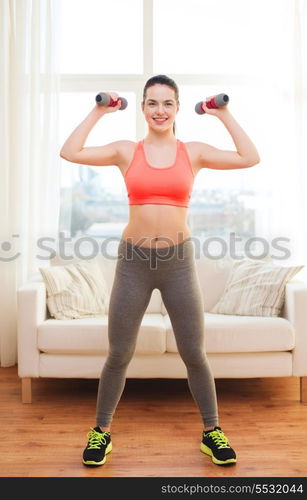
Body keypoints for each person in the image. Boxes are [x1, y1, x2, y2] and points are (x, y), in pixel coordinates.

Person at [60, 74, 260, 467]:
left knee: (194, 353)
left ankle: (212, 431)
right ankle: (101, 432)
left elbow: (249, 157)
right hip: (133, 262)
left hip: (179, 264)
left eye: (167, 103)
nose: (159, 111)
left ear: (178, 108)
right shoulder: (125, 150)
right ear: (142, 109)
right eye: (152, 103)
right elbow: (69, 151)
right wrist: (99, 110)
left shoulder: (194, 152)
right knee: (119, 353)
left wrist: (223, 113)